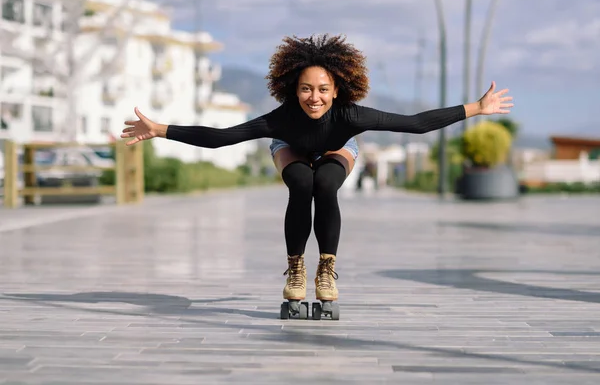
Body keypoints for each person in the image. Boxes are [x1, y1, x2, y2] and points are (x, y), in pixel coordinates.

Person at [121, 34, 513, 309]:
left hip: (337, 148)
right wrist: (160, 129)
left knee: (325, 183)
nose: (315, 97)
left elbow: (415, 123)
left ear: (337, 89)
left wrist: (476, 108)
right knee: (301, 182)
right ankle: (296, 270)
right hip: (290, 148)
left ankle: (326, 269)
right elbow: (223, 137)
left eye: (323, 89)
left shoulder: (352, 115)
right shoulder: (281, 119)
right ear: (294, 89)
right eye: (307, 89)